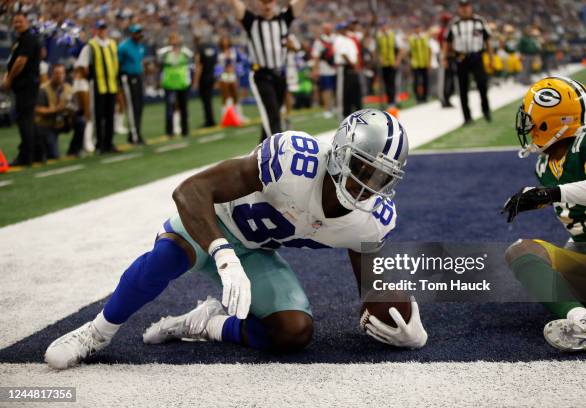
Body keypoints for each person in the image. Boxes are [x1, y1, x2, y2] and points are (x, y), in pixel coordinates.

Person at [44, 109, 427, 370]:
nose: (367, 185)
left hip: (255, 252)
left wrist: (408, 323)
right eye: (362, 168)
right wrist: (223, 255)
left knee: (294, 332)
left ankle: (207, 324)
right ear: (341, 152)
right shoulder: (294, 159)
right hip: (212, 225)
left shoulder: (369, 219)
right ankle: (96, 332)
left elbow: (375, 287)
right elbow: (191, 191)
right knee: (169, 255)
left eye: (380, 178)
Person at [502, 76, 586, 352]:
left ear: (549, 120)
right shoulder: (545, 166)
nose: (526, 126)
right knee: (522, 251)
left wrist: (553, 194)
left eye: (531, 119)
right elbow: (584, 231)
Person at [230, 0, 308, 142]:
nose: (266, 5)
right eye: (263, 2)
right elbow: (237, 6)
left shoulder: (283, 20)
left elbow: (298, 5)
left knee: (273, 113)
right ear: (258, 4)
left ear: (274, 3)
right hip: (261, 75)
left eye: (269, 2)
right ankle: (278, 151)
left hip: (280, 75)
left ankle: (261, 151)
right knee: (272, 114)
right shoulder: (252, 22)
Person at [442, 0, 492, 125]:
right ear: (459, 8)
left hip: (476, 57)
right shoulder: (454, 23)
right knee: (463, 88)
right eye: (462, 6)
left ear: (470, 7)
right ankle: (467, 117)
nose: (464, 9)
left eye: (466, 6)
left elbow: (488, 40)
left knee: (482, 84)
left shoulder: (480, 21)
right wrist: (444, 58)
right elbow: (447, 42)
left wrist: (491, 57)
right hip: (461, 58)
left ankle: (486, 110)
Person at [75, 20, 119, 154]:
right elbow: (82, 65)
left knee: (111, 115)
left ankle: (109, 143)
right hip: (97, 85)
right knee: (98, 116)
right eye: (100, 29)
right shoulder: (91, 45)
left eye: (104, 28)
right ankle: (99, 144)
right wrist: (90, 78)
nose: (102, 31)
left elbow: (115, 62)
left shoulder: (112, 43)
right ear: (96, 30)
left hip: (111, 85)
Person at [4, 11, 41, 166]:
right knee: (27, 120)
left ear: (27, 22)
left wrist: (9, 78)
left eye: (20, 21)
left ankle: (26, 156)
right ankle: (36, 153)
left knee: (24, 120)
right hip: (26, 85)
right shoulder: (21, 39)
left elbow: (20, 62)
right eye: (15, 22)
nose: (17, 24)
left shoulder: (27, 39)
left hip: (26, 85)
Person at [34, 64, 74, 160]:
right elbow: (38, 110)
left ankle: (75, 149)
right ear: (51, 74)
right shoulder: (43, 89)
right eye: (56, 73)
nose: (59, 75)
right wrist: (57, 109)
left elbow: (75, 106)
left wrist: (70, 111)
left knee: (81, 121)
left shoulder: (68, 88)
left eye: (62, 73)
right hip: (46, 124)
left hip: (62, 122)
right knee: (53, 156)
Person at [158, 32, 193, 138]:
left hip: (183, 83)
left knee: (184, 108)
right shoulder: (164, 52)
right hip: (169, 84)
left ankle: (185, 131)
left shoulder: (185, 52)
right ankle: (170, 132)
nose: (174, 41)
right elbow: (159, 62)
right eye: (172, 39)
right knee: (169, 108)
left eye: (176, 38)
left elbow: (192, 60)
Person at [118, 24, 146, 144]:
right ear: (131, 33)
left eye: (140, 32)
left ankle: (135, 133)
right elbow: (118, 63)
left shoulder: (140, 46)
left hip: (138, 76)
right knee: (132, 106)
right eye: (137, 32)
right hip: (128, 78)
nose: (139, 34)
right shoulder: (123, 47)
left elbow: (139, 61)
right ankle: (135, 135)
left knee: (139, 106)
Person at [335, 22, 362, 120]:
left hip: (353, 66)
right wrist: (353, 65)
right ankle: (344, 115)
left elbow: (356, 54)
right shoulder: (338, 39)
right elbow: (343, 54)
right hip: (345, 67)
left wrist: (357, 65)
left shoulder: (349, 40)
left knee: (355, 91)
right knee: (344, 92)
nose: (344, 30)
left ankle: (357, 112)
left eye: (345, 28)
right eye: (342, 28)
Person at [193, 25, 217, 128]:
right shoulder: (211, 47)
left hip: (203, 78)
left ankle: (209, 121)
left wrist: (195, 82)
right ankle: (211, 119)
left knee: (205, 100)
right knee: (209, 100)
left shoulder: (199, 49)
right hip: (211, 76)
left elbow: (199, 66)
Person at [311, 23, 336, 119]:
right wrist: (315, 69)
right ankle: (326, 109)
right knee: (326, 89)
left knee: (334, 89)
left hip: (335, 67)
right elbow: (316, 56)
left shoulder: (335, 38)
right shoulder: (319, 41)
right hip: (324, 68)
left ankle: (333, 106)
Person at [377, 19, 400, 108]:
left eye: (384, 25)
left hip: (392, 63)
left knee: (393, 82)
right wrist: (379, 58)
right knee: (386, 84)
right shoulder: (379, 37)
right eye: (381, 25)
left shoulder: (393, 35)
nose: (383, 27)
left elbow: (400, 49)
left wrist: (397, 60)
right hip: (383, 64)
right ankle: (389, 101)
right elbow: (377, 50)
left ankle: (393, 101)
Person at [408, 25, 431, 104]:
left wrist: (429, 62)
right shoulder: (411, 39)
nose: (417, 29)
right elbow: (409, 51)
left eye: (418, 28)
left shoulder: (425, 37)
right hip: (415, 63)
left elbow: (429, 49)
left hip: (424, 62)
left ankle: (425, 97)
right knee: (416, 81)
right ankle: (417, 98)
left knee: (425, 81)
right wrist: (410, 61)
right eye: (416, 28)